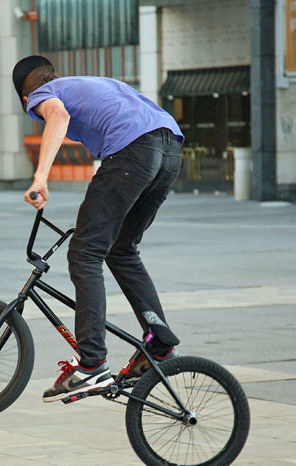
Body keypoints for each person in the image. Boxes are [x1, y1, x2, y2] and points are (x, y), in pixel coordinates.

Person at [12, 55, 184, 403]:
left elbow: (57, 116)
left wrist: (40, 176)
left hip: (132, 151)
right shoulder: (89, 83)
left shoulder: (45, 95)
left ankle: (91, 364)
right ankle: (159, 343)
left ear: (26, 99)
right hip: (170, 150)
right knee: (121, 248)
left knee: (85, 251)